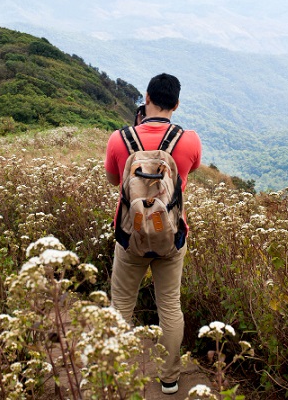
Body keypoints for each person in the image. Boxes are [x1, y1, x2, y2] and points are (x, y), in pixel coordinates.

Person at [104, 73, 202, 395]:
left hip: (130, 237)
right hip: (171, 237)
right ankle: (170, 380)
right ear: (176, 103)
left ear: (146, 97)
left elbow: (112, 180)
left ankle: (116, 372)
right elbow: (190, 171)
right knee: (170, 307)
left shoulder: (119, 139)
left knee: (120, 305)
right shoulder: (188, 141)